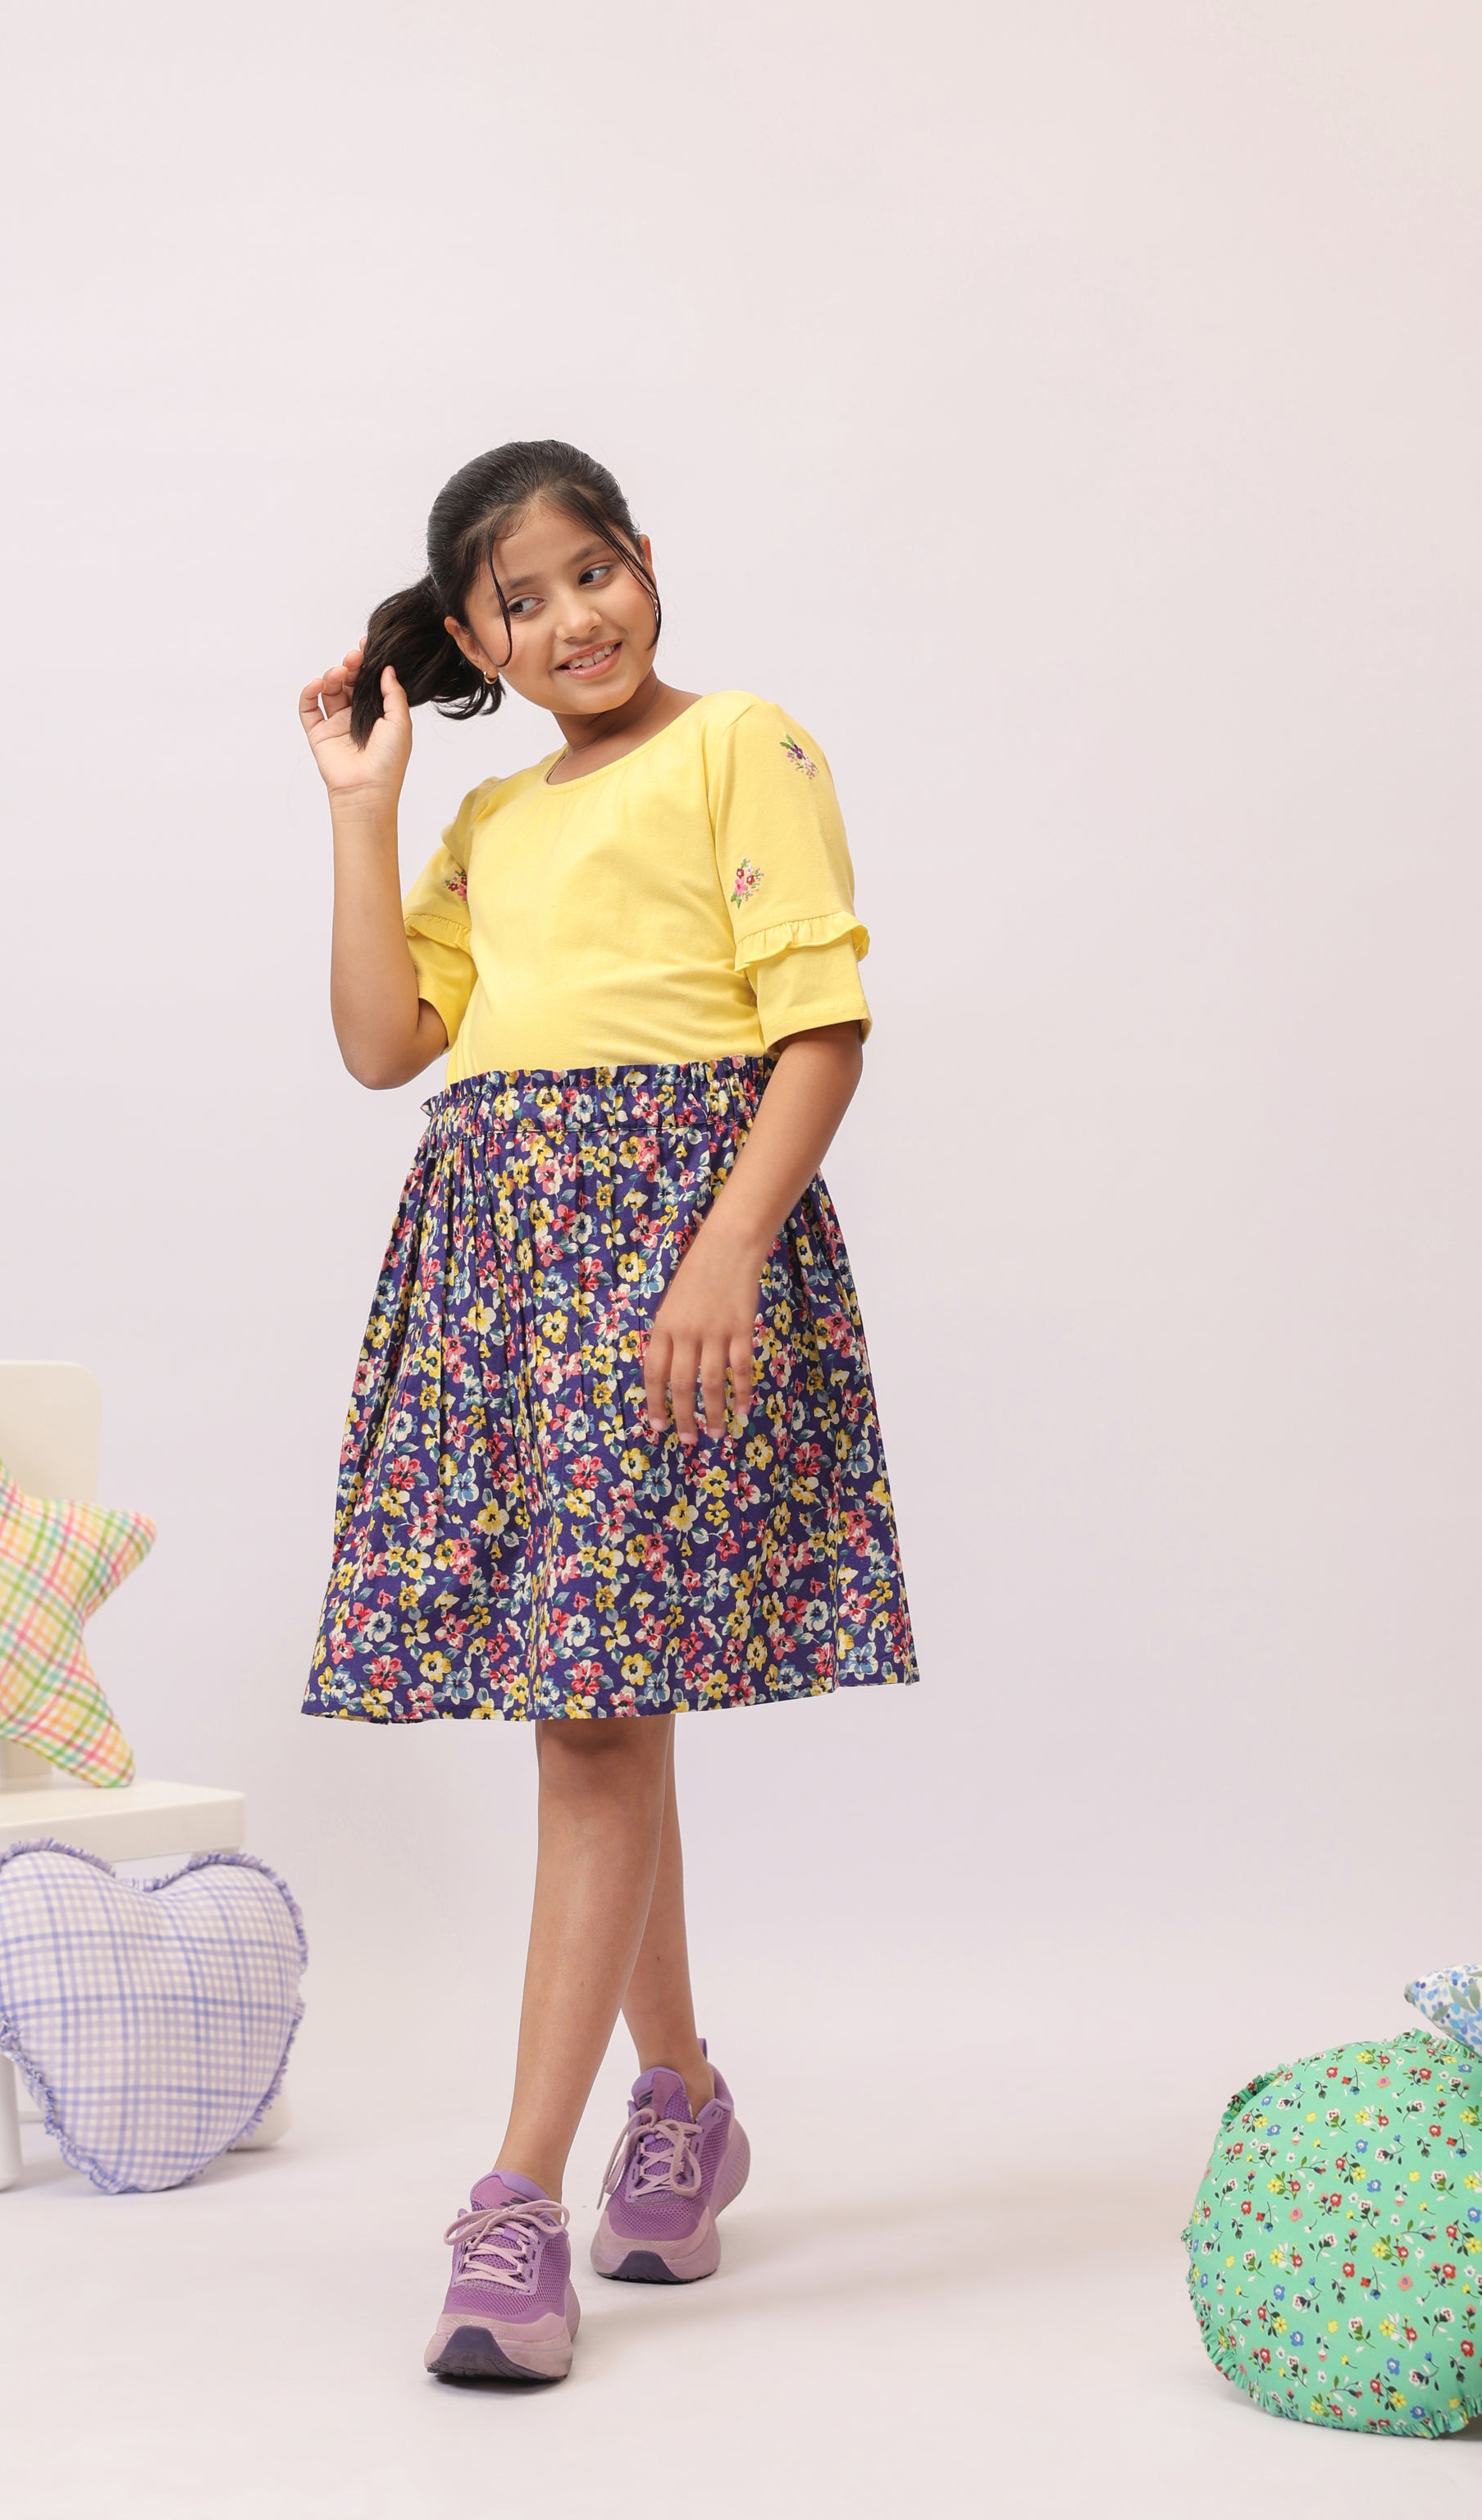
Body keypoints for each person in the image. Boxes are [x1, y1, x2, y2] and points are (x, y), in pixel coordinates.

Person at [298, 441, 915, 2383]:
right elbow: (385, 1043)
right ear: (472, 636)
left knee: (587, 1719)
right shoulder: (489, 815)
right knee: (597, 1704)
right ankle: (684, 2104)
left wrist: (726, 1253)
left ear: (645, 559)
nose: (574, 620)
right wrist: (366, 811)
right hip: (505, 1272)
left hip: (665, 1267)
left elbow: (820, 1023)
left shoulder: (742, 742)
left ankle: (514, 2200)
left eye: (593, 573)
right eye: (523, 602)